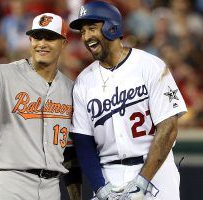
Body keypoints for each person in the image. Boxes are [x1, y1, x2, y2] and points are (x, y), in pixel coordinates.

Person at [0, 12, 80, 200]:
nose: (42, 43)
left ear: (63, 43)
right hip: (9, 182)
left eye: (50, 38)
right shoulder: (3, 74)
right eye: (37, 37)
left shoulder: (71, 89)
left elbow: (70, 150)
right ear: (30, 40)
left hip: (51, 188)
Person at [69, 1, 187, 200]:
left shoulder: (150, 66)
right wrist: (100, 187)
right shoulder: (83, 81)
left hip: (155, 172)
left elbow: (168, 127)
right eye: (82, 32)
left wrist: (143, 181)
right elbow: (83, 142)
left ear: (111, 27)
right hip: (109, 176)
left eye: (92, 28)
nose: (86, 37)